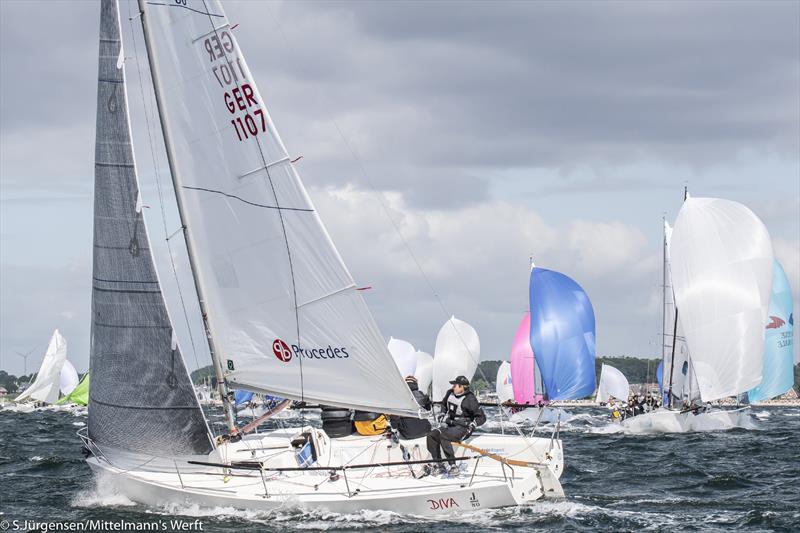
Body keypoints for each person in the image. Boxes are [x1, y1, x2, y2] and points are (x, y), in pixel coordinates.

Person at [425, 375, 486, 476]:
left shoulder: (470, 399)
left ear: (462, 387)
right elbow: (444, 405)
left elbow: (482, 417)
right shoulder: (450, 393)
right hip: (450, 424)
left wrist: (473, 424)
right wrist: (442, 413)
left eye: (455, 385)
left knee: (444, 435)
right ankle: (439, 464)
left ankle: (453, 466)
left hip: (464, 428)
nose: (453, 387)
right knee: (431, 435)